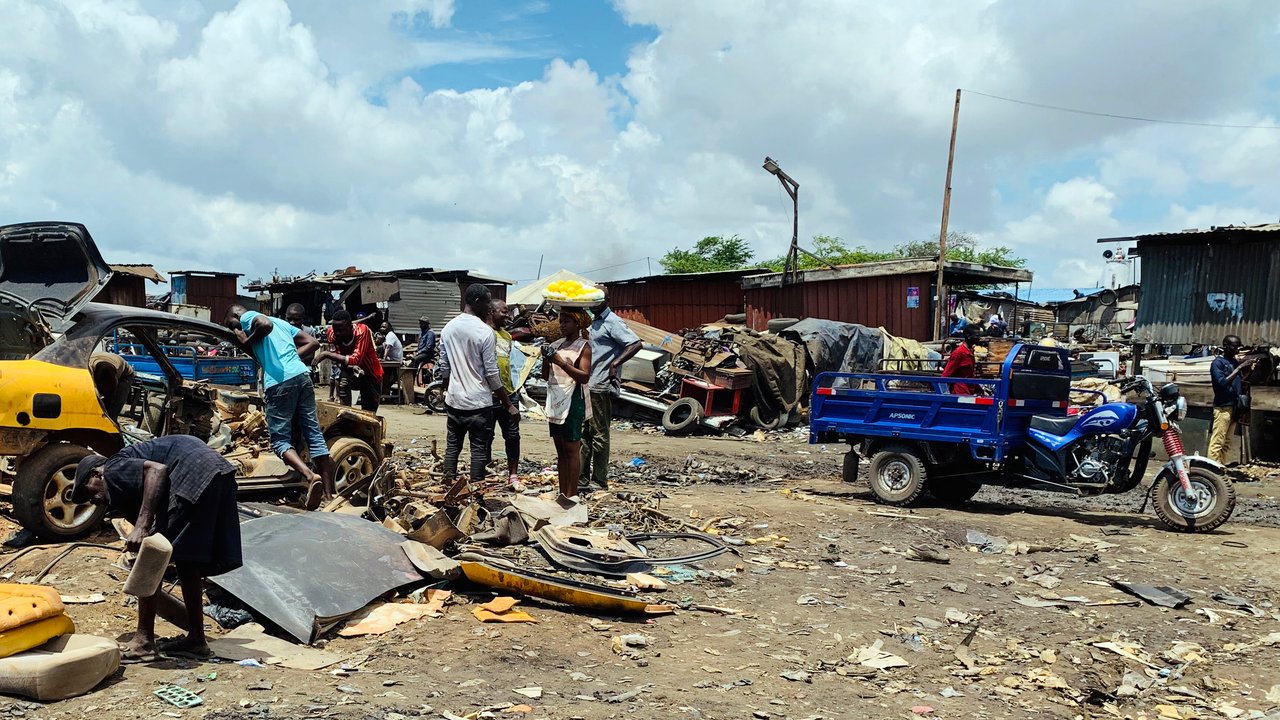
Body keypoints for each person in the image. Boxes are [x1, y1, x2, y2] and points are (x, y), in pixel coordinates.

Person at [70, 436, 242, 662]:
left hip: (194, 473)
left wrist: (142, 527)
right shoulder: (126, 475)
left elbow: (157, 470)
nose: (94, 500)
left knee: (152, 555)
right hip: (216, 472)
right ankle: (197, 641)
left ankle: (143, 642)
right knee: (189, 563)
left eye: (89, 492)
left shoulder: (113, 467)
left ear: (96, 474)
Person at [225, 305, 332, 507]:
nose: (233, 327)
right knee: (314, 434)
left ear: (235, 316)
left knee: (280, 441)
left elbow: (263, 324)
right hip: (302, 375)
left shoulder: (249, 317)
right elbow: (314, 342)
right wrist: (290, 359)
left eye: (230, 323)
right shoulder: (282, 324)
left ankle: (310, 476)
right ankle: (328, 495)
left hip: (280, 382)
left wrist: (242, 334)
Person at [440, 284, 518, 491]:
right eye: (486, 301)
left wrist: (447, 389)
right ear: (476, 302)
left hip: (454, 401)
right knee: (479, 450)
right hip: (478, 403)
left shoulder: (448, 328)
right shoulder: (484, 332)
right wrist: (508, 403)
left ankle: (448, 489)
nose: (489, 307)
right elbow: (491, 373)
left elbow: (444, 367)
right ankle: (476, 494)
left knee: (452, 448)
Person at [580, 292, 642, 492]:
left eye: (597, 300)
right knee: (584, 433)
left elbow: (635, 343)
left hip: (600, 383)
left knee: (598, 433)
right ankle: (582, 479)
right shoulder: (593, 321)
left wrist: (615, 363)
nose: (593, 304)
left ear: (607, 301)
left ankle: (599, 481)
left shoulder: (612, 322)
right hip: (586, 383)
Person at [543, 309, 592, 500]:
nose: (562, 325)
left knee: (572, 450)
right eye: (561, 321)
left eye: (567, 322)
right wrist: (547, 359)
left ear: (578, 324)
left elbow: (584, 376)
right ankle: (562, 492)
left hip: (573, 400)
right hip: (556, 399)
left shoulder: (583, 347)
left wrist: (561, 363)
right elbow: (545, 375)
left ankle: (572, 495)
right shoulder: (557, 345)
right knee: (561, 450)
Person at [485, 299, 522, 485]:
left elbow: (511, 365)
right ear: (491, 311)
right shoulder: (484, 334)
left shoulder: (507, 336)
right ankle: (485, 472)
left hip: (509, 393)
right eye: (504, 312)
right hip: (488, 396)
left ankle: (513, 475)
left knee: (513, 435)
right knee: (485, 436)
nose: (507, 316)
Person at [317, 310, 384, 412]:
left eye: (341, 330)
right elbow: (339, 360)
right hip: (349, 371)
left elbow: (356, 359)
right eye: (335, 329)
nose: (337, 333)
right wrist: (349, 365)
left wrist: (327, 354)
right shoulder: (331, 333)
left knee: (369, 412)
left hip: (371, 374)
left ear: (350, 326)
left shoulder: (362, 331)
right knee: (345, 409)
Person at [1209, 335, 1257, 465]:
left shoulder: (1234, 362)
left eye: (1238, 346)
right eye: (1235, 346)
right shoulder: (1217, 363)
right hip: (1223, 407)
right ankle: (1212, 469)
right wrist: (1240, 368)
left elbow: (1239, 381)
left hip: (1234, 406)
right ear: (1225, 346)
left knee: (1227, 442)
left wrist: (1248, 370)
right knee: (1218, 441)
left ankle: (1221, 467)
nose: (1237, 348)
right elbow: (1221, 383)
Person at [941, 325, 980, 395]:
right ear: (968, 336)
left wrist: (980, 389)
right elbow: (946, 375)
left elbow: (970, 375)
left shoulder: (970, 352)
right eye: (977, 336)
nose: (979, 338)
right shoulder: (959, 353)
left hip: (969, 392)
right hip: (960, 393)